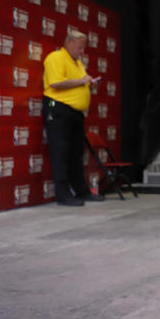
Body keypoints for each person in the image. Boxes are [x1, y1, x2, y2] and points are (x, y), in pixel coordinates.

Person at [42, 30, 104, 206]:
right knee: (61, 152)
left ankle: (81, 191)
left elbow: (80, 85)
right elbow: (55, 83)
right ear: (69, 43)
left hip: (75, 113)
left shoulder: (77, 63)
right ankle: (63, 195)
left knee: (76, 153)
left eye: (83, 47)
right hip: (59, 109)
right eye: (79, 47)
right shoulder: (55, 57)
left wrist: (90, 85)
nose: (82, 51)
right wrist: (82, 81)